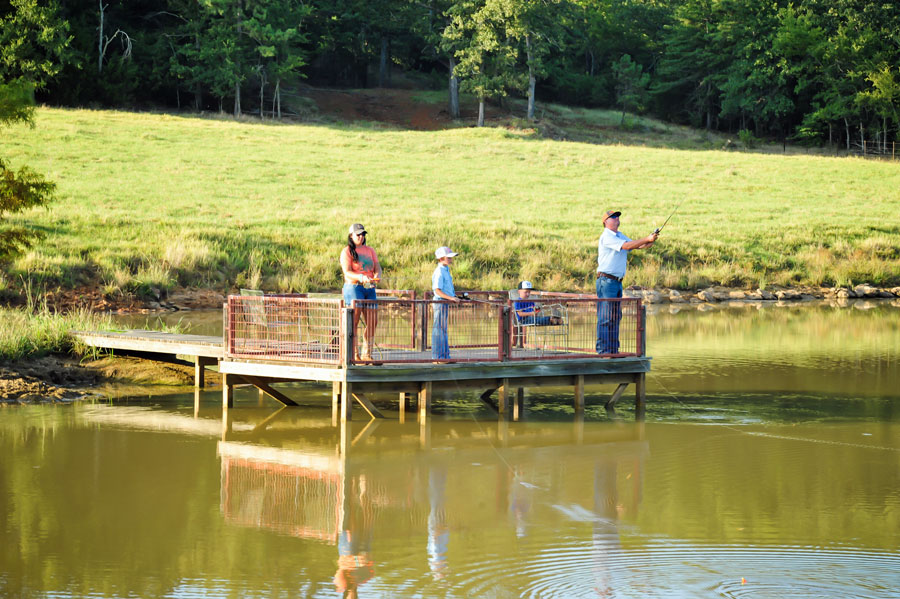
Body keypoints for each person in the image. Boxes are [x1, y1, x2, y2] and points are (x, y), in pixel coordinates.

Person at [595, 210, 658, 355]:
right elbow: (627, 246)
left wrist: (651, 240)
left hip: (616, 282)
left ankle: (612, 350)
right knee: (606, 317)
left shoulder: (619, 235)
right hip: (606, 281)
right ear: (605, 222)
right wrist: (646, 239)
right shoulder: (607, 236)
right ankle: (604, 351)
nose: (617, 219)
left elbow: (637, 245)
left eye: (618, 217)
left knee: (615, 316)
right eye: (613, 217)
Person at [340, 223, 382, 360]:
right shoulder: (346, 251)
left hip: (369, 287)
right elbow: (347, 272)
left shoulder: (370, 250)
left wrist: (377, 276)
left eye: (363, 234)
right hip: (354, 287)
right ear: (351, 236)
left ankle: (367, 353)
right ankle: (354, 354)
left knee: (372, 320)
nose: (361, 237)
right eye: (358, 234)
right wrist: (361, 277)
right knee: (354, 320)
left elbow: (377, 267)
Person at [431, 246, 460, 361]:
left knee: (443, 329)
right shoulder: (439, 272)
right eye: (448, 257)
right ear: (441, 258)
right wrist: (451, 298)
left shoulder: (445, 270)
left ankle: (445, 356)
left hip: (444, 303)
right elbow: (437, 290)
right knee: (438, 329)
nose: (451, 259)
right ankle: (438, 357)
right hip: (439, 303)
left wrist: (453, 297)